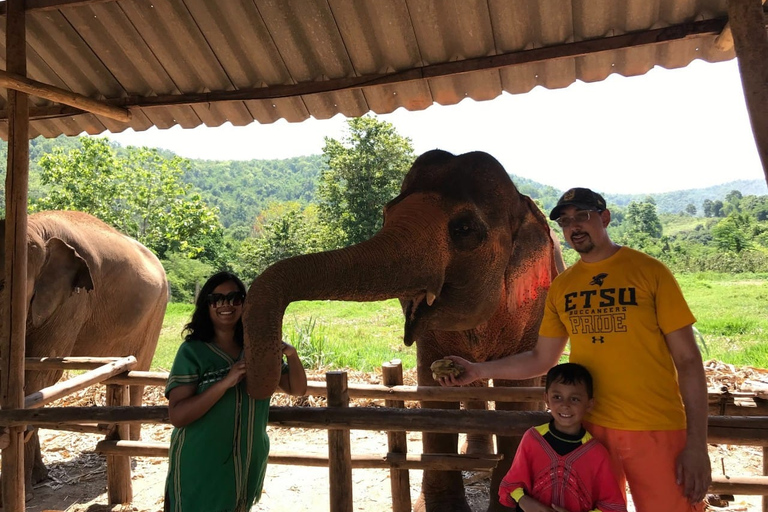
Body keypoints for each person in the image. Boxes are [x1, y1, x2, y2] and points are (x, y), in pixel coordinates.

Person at [438, 187, 711, 512]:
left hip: (656, 427)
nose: (574, 226)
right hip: (590, 432)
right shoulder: (564, 287)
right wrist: (477, 370)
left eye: (583, 216)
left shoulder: (649, 272)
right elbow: (542, 358)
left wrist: (697, 444)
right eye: (566, 221)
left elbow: (689, 360)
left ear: (605, 218)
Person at [163, 271, 307, 512]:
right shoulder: (193, 352)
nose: (226, 304)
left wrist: (290, 355)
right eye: (216, 299)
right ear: (206, 305)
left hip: (248, 459)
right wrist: (224, 383)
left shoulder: (258, 347)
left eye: (234, 297)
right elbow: (178, 415)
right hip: (201, 461)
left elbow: (297, 389)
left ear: (245, 303)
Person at [499, 363, 626, 512]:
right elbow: (512, 484)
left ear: (589, 404)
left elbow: (611, 506)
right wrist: (524, 500)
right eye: (557, 397)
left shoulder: (597, 454)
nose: (565, 405)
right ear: (546, 399)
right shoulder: (533, 439)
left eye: (574, 399)